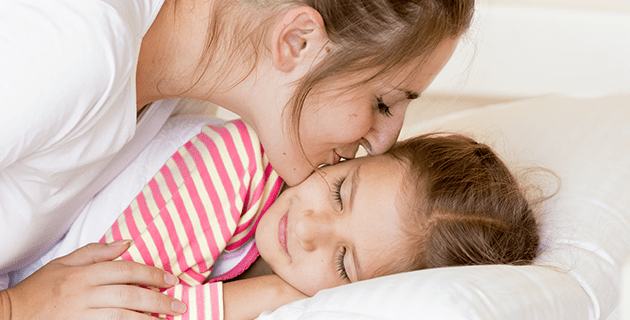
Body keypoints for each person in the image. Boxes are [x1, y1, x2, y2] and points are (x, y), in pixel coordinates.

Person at [1, 0, 474, 317]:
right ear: (297, 40)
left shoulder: (177, 111)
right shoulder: (71, 52)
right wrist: (17, 308)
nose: (385, 141)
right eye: (383, 103)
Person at [2, 119, 540, 319]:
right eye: (339, 192)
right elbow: (108, 302)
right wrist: (254, 299)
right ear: (352, 153)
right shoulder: (238, 167)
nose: (307, 229)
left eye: (344, 261)